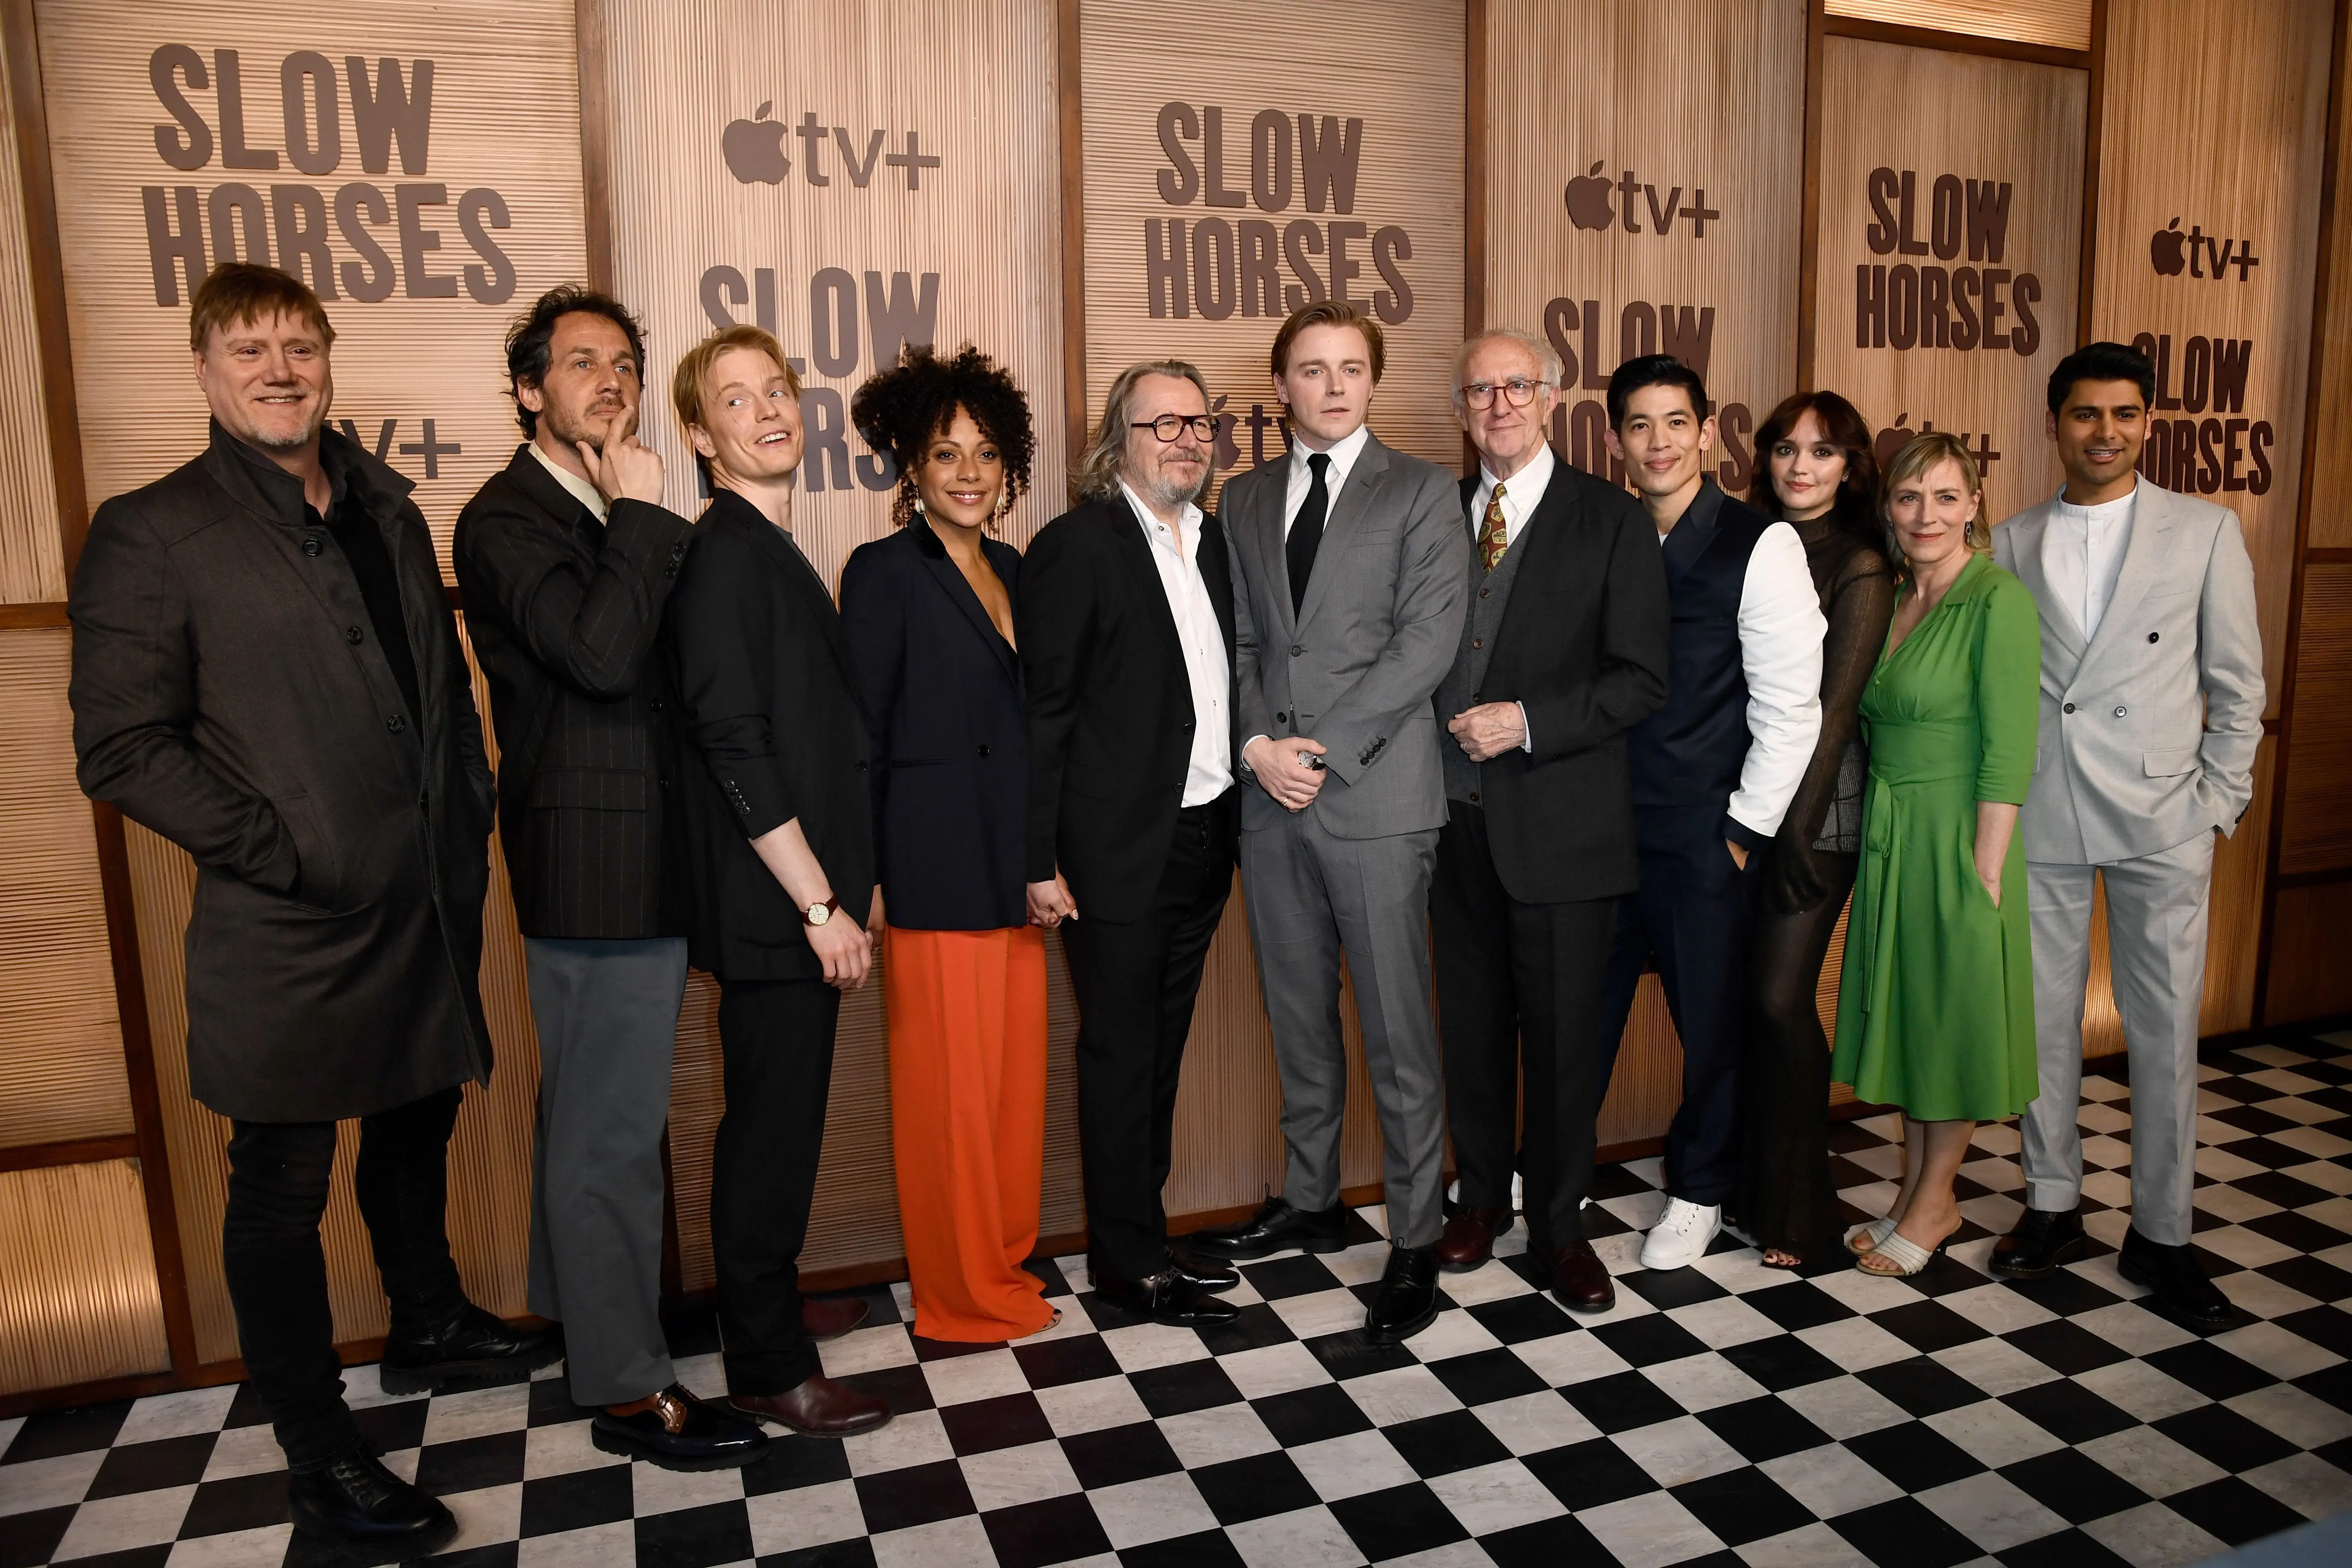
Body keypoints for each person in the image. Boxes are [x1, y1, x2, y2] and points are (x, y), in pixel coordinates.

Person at [68, 263, 552, 1557]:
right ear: (204, 369)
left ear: (327, 360)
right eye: (249, 350)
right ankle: (318, 1450)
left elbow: (432, 684)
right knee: (281, 1186)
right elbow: (120, 747)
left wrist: (468, 807)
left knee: (417, 1113)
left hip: (427, 897)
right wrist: (287, 854)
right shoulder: (153, 532)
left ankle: (427, 1320)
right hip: (291, 926)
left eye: (298, 346)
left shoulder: (385, 505)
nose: (278, 371)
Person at [453, 290, 770, 1468]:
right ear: (529, 388)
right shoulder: (506, 517)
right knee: (612, 1135)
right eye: (582, 362)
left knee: (591, 1122)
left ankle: (590, 1322)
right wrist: (644, 513)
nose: (612, 381)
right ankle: (631, 1390)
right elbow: (596, 657)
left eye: (627, 364)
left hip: (649, 857)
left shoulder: (607, 503)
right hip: (595, 865)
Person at [1187, 300, 1469, 1345]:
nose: (1335, 384)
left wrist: (1323, 750)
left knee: (1398, 1033)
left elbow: (1426, 643)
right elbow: (1241, 643)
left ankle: (1415, 1237)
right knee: (1297, 1016)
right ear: (1282, 386)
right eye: (1313, 368)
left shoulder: (1422, 490)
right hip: (1272, 799)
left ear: (1373, 380)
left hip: (1377, 797)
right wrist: (1260, 745)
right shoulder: (1246, 496)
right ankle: (1310, 1198)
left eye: (1353, 366)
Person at [1987, 343, 2265, 1325]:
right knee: (2041, 1023)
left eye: (2124, 414)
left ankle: (2164, 1233)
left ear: (2147, 422)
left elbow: (2238, 686)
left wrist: (2216, 801)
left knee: (2165, 1031)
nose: (2105, 432)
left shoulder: (2205, 530)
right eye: (2085, 414)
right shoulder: (2010, 539)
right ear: (2054, 424)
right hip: (2047, 808)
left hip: (2163, 813)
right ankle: (2053, 1204)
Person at [666, 324, 891, 1436]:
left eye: (776, 391)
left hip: (801, 903)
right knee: (768, 1138)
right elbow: (736, 744)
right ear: (702, 438)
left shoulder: (766, 545)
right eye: (734, 399)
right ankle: (765, 1362)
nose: (764, 411)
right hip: (776, 912)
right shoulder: (722, 554)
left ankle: (772, 1305)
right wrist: (819, 903)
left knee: (784, 1126)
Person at [1427, 329, 1669, 1313]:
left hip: (1566, 832)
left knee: (1566, 1045)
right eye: (1480, 391)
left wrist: (1527, 722)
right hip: (1447, 828)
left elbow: (1642, 679)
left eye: (1517, 386)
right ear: (1461, 407)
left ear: (1552, 397)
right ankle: (1482, 1199)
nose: (1499, 405)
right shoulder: (1432, 512)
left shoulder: (1612, 519)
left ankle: (1562, 1226)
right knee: (1472, 1030)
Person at [1590, 356, 1826, 1273]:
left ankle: (1698, 1190)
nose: (1658, 442)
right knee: (1581, 1012)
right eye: (1638, 425)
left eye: (1675, 422)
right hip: (1602, 826)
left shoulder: (1759, 543)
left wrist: (1740, 833)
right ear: (1616, 439)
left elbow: (1791, 706)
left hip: (1702, 831)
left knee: (1712, 1027)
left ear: (1706, 430)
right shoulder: (1606, 531)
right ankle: (1559, 1167)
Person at [1022, 361, 1244, 1328]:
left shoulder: (1215, 542)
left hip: (1206, 834)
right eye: (1163, 424)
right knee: (1120, 1055)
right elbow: (1044, 717)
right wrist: (1037, 858)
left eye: (1199, 423)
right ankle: (1125, 1263)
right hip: (1113, 852)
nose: (1186, 440)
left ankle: (1145, 1235)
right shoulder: (1076, 547)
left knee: (1161, 1053)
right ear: (1119, 439)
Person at [840, 346, 1056, 1343]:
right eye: (944, 453)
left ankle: (1001, 1262)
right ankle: (960, 1296)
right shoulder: (883, 572)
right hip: (930, 869)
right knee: (951, 1105)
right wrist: (870, 876)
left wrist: (1044, 859)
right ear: (910, 468)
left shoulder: (1015, 569)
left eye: (985, 453)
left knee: (1009, 1096)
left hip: (1011, 872)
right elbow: (862, 736)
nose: (968, 473)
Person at [1832, 433, 2041, 1276]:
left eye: (1946, 497)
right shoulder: (1894, 597)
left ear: (1974, 506)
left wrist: (1985, 868)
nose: (1927, 515)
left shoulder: (1997, 600)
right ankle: (1916, 1192)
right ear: (1888, 508)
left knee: (1951, 1021)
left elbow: (2010, 747)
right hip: (1895, 834)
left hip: (1960, 836)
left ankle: (1934, 1203)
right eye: (1910, 497)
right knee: (1917, 1017)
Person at [1735, 392, 1896, 1270]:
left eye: (1823, 451)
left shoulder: (1859, 563)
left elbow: (1834, 716)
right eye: (1787, 449)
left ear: (1850, 467)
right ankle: (1755, 1190)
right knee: (1749, 1006)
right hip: (1751, 804)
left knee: (1778, 1000)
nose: (1802, 466)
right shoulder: (1751, 541)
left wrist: (1792, 830)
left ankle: (1804, 1209)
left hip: (1820, 817)